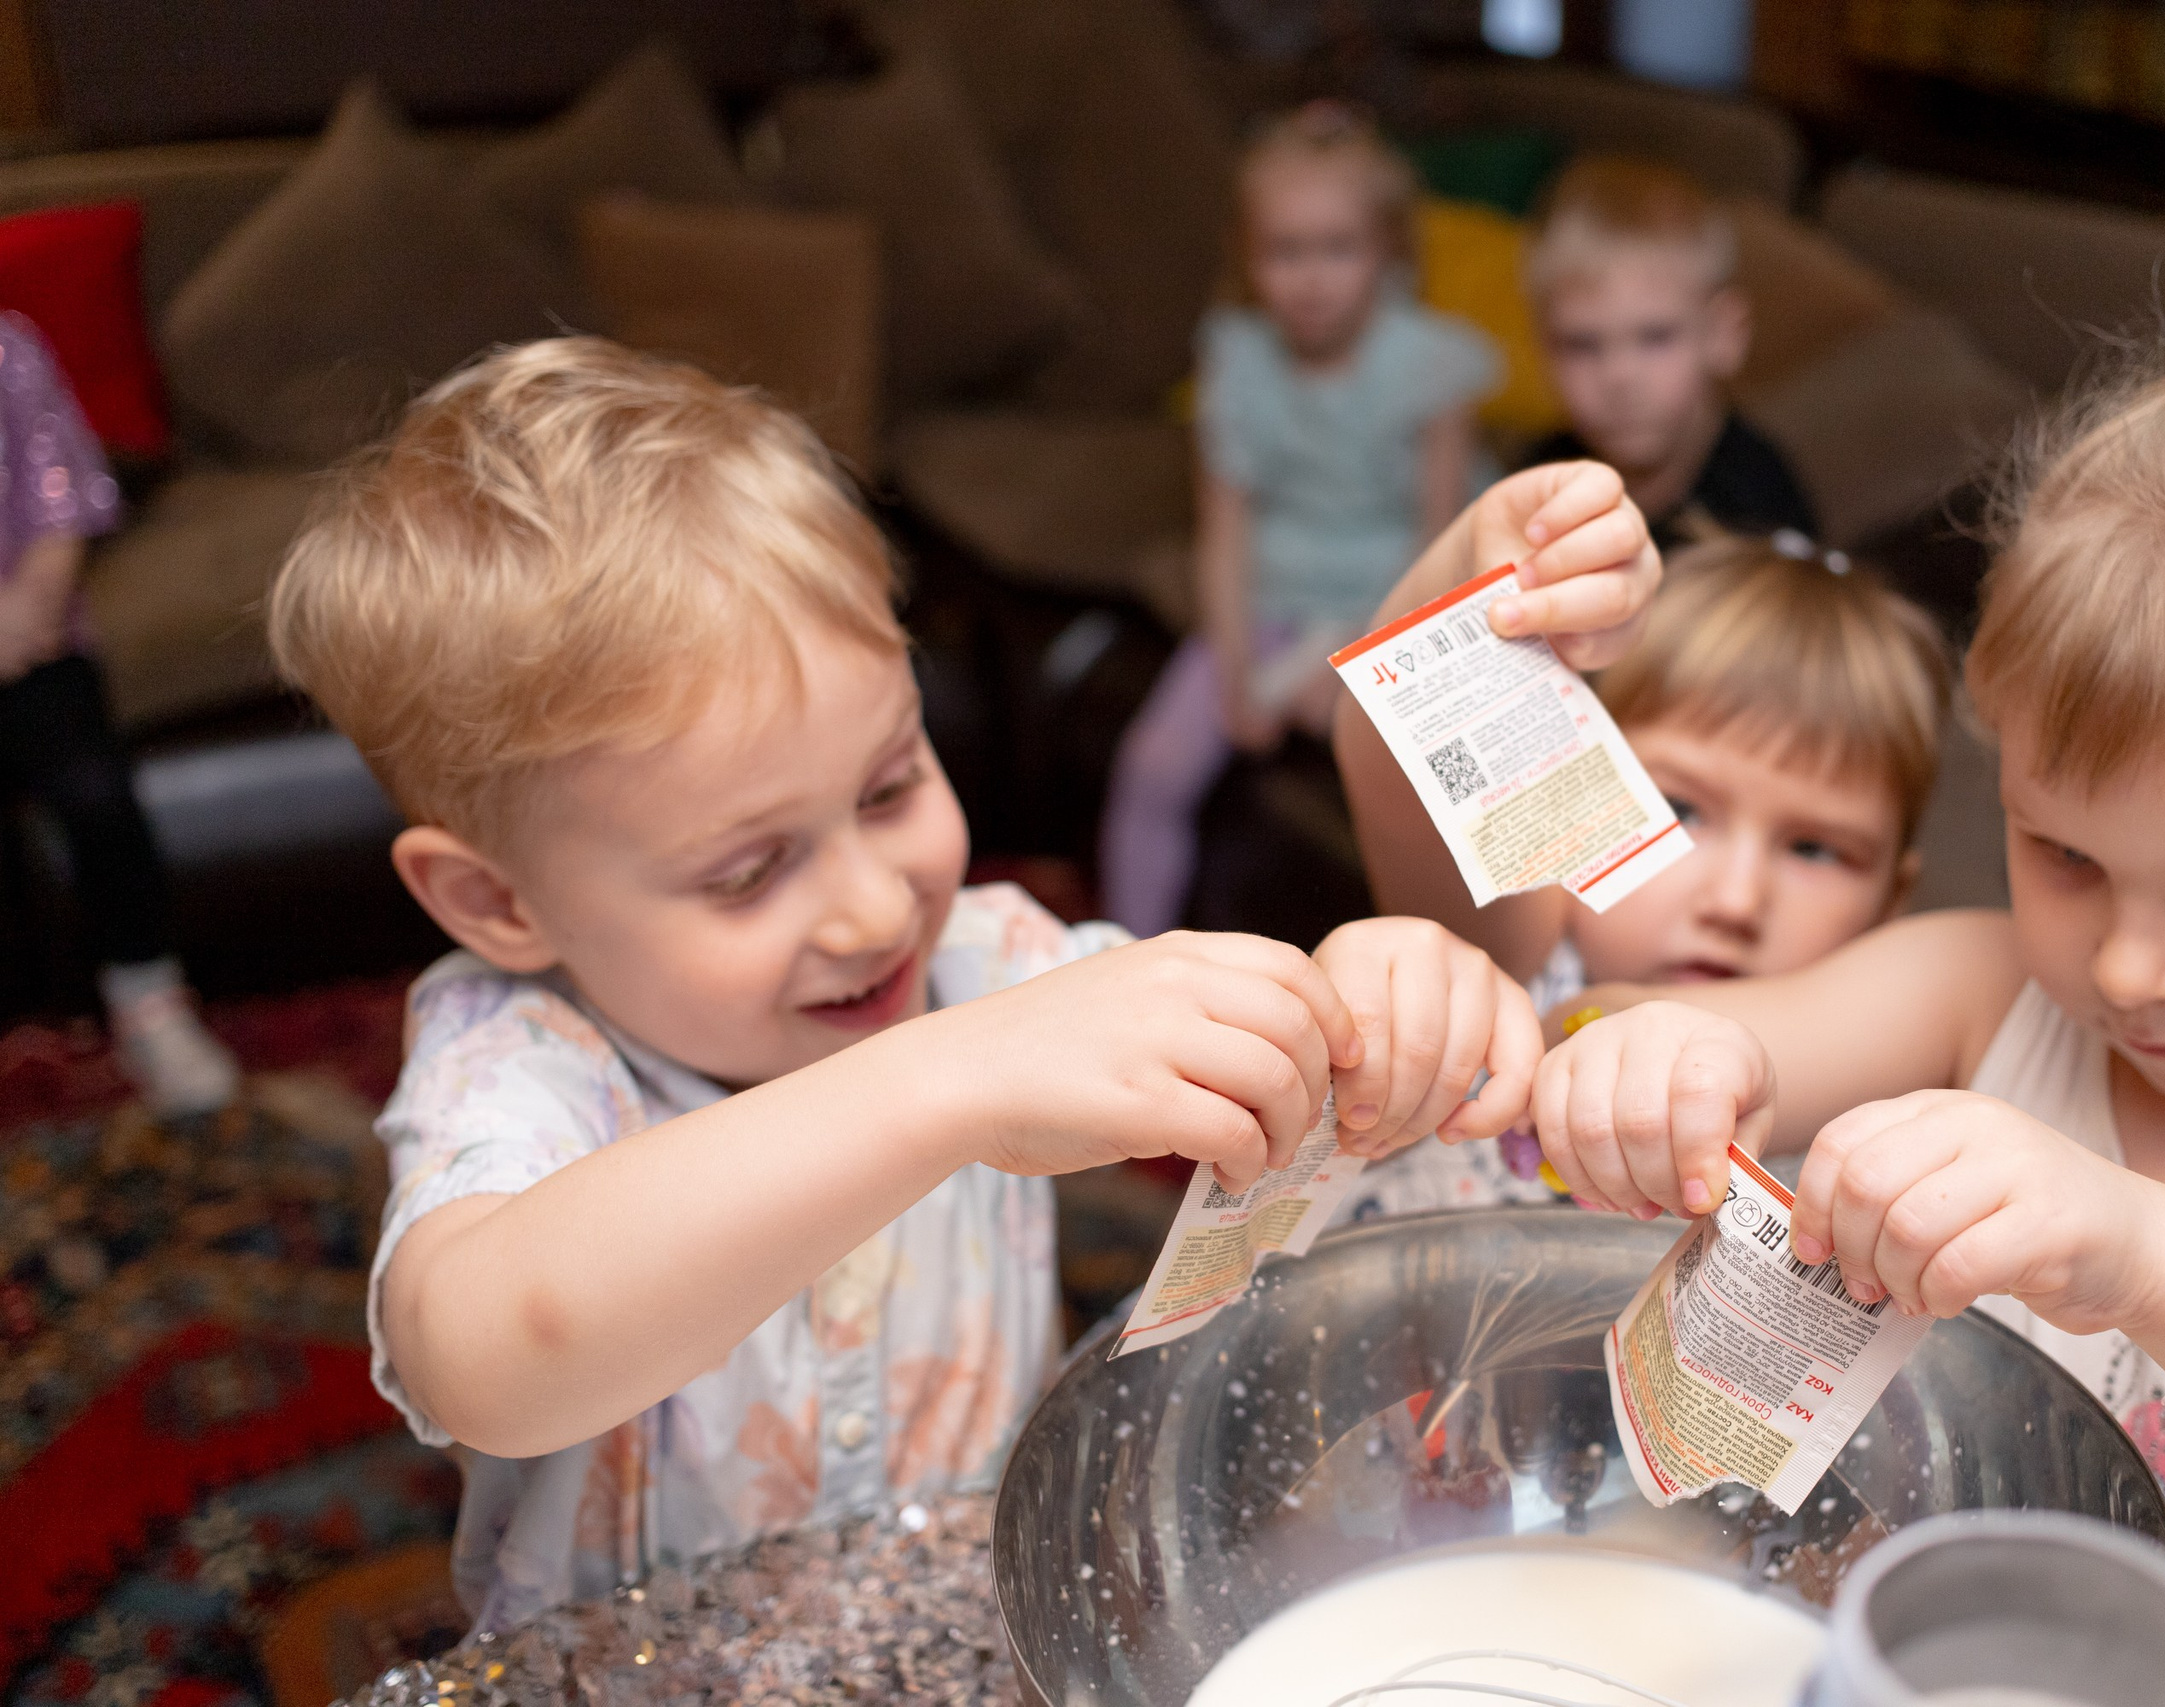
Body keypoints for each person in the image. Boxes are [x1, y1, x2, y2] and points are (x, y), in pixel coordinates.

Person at [264, 338, 1661, 1631]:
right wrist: (946, 1076)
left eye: (890, 784)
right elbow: (491, 1358)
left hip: (966, 1624)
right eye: (748, 871)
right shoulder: (515, 1060)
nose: (876, 906)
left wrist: (1373, 978)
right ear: (497, 900)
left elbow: (1322, 1038)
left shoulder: (983, 956)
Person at [1531, 287, 2165, 1666]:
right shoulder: (1985, 988)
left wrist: (2142, 1246)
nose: (2127, 966)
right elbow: (1714, 1038)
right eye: (2063, 851)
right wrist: (1661, 1056)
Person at [1329, 525, 1950, 1221]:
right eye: (1680, 807)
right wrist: (1474, 557)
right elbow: (1392, 769)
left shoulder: (1873, 1091)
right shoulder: (1512, 960)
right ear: (1565, 793)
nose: (1736, 899)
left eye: (1812, 849)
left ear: (1894, 899)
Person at [1099, 101, 1501, 937]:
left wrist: (1362, 657)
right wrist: (1239, 665)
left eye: (1337, 248)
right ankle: (1125, 957)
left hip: (1396, 605)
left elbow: (1444, 547)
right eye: (1286, 251)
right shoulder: (1236, 361)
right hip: (1275, 603)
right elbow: (1227, 533)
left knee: (1428, 787)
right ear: (1249, 257)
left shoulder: (1430, 365)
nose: (1311, 277)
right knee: (1152, 766)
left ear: (1386, 250)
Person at [0, 311, 237, 1116]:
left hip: (35, 640)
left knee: (99, 797)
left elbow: (64, 494)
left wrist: (26, 610)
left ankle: (149, 997)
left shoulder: (11, 347)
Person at [1517, 156, 1816, 547]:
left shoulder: (1760, 510)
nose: (1618, 376)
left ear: (1725, 333)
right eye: (1582, 344)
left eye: (1655, 336)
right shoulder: (1536, 482)